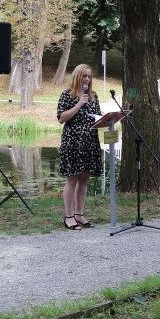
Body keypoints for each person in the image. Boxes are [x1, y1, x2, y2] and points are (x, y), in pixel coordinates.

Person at [56, 64, 103, 230]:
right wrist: (78, 105)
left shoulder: (93, 96)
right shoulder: (67, 95)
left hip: (90, 142)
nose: (87, 79)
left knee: (84, 179)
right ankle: (69, 217)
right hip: (73, 141)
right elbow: (61, 118)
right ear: (77, 76)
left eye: (89, 76)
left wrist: (104, 120)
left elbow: (97, 117)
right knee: (72, 178)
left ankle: (79, 214)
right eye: (84, 76)